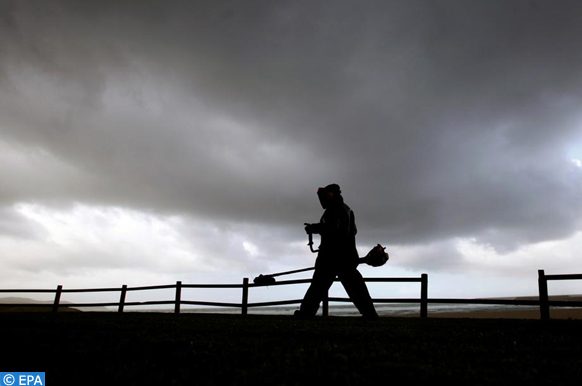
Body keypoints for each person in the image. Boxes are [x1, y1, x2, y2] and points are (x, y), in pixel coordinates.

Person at [294, 184, 378, 319]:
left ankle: (306, 313)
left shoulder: (336, 210)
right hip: (344, 256)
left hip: (332, 257)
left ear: (330, 196)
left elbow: (334, 229)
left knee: (319, 286)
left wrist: (315, 228)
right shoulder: (345, 209)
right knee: (354, 287)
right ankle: (370, 314)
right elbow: (349, 231)